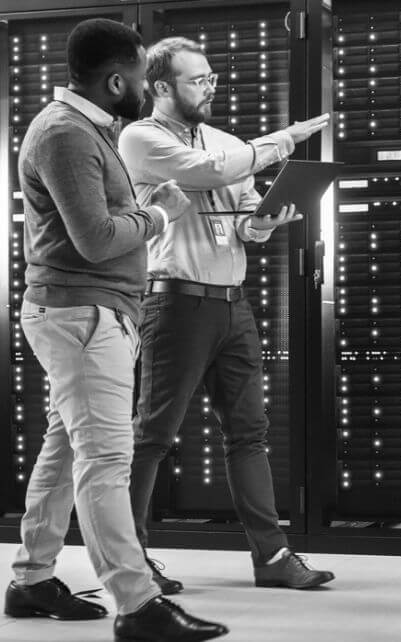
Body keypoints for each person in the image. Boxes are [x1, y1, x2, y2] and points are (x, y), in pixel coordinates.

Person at [1, 19, 228, 642]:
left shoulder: (88, 129)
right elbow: (98, 240)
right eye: (140, 76)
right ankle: (137, 604)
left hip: (90, 312)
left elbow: (101, 223)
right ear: (116, 78)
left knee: (66, 447)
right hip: (82, 313)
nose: (147, 88)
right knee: (106, 458)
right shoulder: (66, 134)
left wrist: (141, 209)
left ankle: (31, 579)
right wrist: (158, 213)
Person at [119, 36, 333, 593]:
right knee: (154, 435)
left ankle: (273, 557)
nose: (209, 87)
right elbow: (212, 172)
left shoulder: (224, 141)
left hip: (232, 304)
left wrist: (262, 224)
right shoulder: (141, 138)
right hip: (175, 302)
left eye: (211, 77)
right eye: (197, 80)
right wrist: (282, 141)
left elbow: (239, 211)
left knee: (249, 434)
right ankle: (132, 561)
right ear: (161, 87)